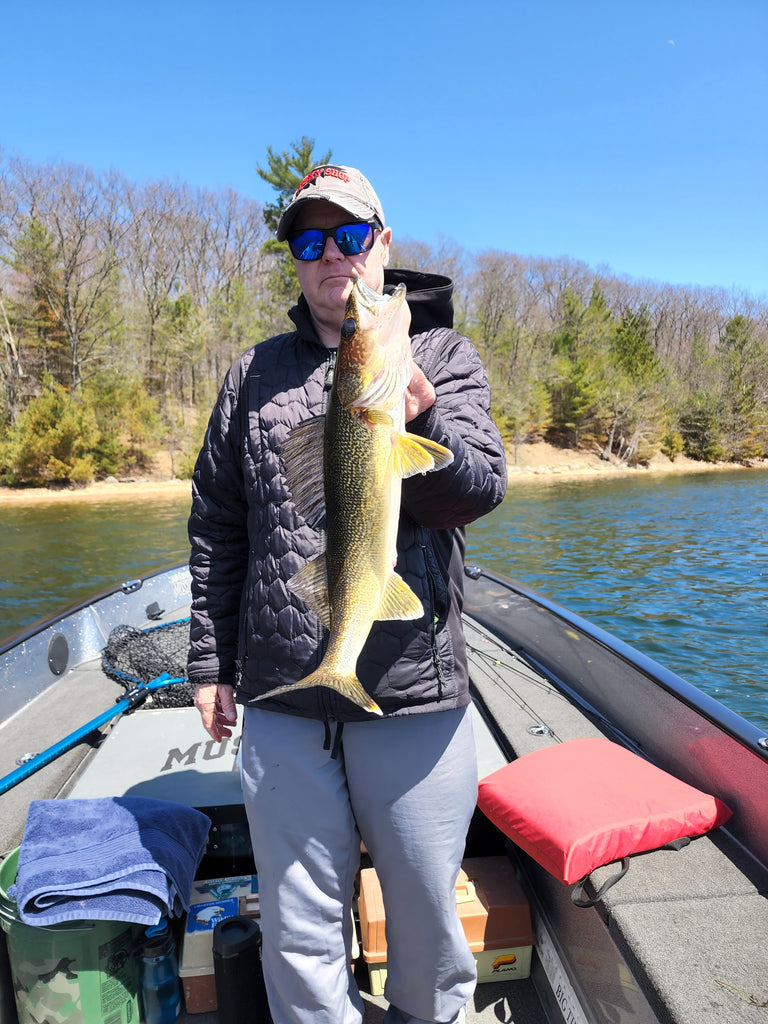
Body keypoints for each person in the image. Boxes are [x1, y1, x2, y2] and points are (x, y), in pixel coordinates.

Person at [188, 165, 507, 1024]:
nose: (333, 257)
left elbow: (479, 487)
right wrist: (210, 663)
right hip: (285, 694)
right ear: (296, 261)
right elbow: (218, 526)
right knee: (297, 927)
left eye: (352, 236)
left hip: (412, 691)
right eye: (309, 241)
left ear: (385, 244)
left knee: (427, 920)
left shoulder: (440, 354)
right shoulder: (251, 377)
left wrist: (422, 418)